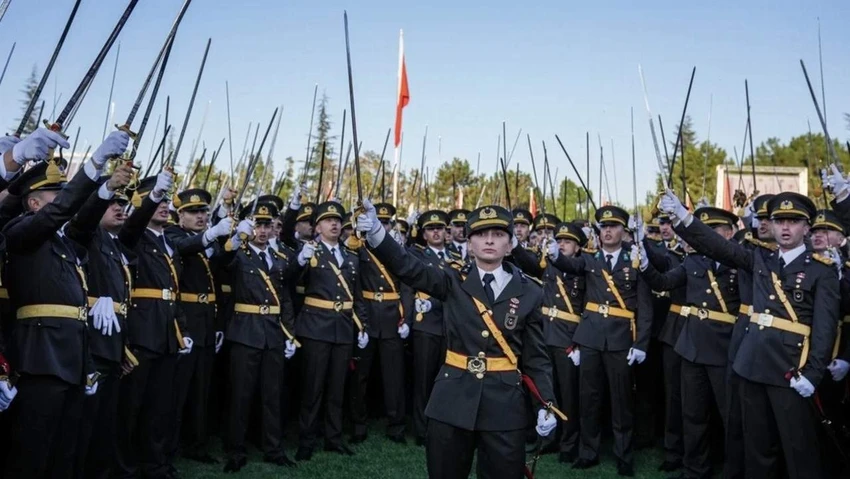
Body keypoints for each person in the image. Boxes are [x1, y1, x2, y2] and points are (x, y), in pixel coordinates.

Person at [356, 202, 560, 479]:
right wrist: (378, 234)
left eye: (498, 234)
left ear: (510, 245)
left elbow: (537, 357)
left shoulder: (531, 292)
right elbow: (408, 267)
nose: (489, 240)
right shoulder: (451, 278)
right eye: (481, 234)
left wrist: (545, 403)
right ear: (469, 243)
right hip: (452, 399)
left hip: (504, 404)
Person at [659, 189, 839, 479]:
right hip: (752, 366)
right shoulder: (760, 259)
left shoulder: (821, 270)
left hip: (791, 370)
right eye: (779, 221)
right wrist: (682, 216)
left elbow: (825, 328)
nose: (784, 227)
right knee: (757, 448)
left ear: (806, 227)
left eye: (793, 221)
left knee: (799, 449)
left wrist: (814, 373)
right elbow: (718, 246)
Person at [2, 128, 128, 477]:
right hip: (40, 356)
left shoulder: (65, 244)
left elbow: (83, 222)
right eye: (54, 195)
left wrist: (104, 188)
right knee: (33, 450)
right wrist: (94, 164)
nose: (62, 201)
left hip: (72, 355)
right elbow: (58, 216)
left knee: (65, 450)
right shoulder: (21, 232)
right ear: (33, 203)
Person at [547, 205, 653, 477]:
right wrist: (555, 254)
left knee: (621, 402)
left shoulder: (635, 260)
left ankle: (623, 456)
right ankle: (588, 452)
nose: (608, 231)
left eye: (614, 226)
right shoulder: (590, 260)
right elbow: (570, 264)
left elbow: (645, 307)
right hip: (591, 337)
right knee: (589, 400)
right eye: (603, 227)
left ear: (623, 231)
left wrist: (641, 344)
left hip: (620, 340)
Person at [638, 206, 741, 479]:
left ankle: (733, 469)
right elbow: (664, 281)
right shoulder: (694, 262)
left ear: (729, 234)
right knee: (692, 414)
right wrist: (646, 265)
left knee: (730, 416)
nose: (704, 238)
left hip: (725, 347)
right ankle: (695, 469)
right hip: (692, 346)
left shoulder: (740, 262)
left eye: (713, 232)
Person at [115, 171, 195, 479]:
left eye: (165, 200)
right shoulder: (133, 235)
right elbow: (133, 224)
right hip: (141, 331)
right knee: (132, 407)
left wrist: (183, 330)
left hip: (166, 332)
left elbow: (174, 292)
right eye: (156, 200)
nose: (163, 206)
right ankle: (125, 468)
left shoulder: (168, 242)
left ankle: (155, 464)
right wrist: (151, 199)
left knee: (160, 407)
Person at [65, 163, 138, 479]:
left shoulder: (113, 244)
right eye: (112, 204)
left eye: (123, 204)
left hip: (111, 343)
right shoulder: (86, 234)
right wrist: (103, 189)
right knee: (84, 421)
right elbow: (80, 225)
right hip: (90, 343)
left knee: (104, 421)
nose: (120, 209)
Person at [222, 201, 298, 472]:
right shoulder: (238, 254)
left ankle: (273, 449)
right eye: (258, 225)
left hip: (273, 333)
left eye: (267, 225)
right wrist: (234, 237)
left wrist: (290, 333)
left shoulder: (279, 260)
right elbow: (221, 261)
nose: (263, 231)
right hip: (245, 331)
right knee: (241, 395)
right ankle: (236, 450)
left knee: (272, 395)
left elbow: (285, 299)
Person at [292, 200, 368, 461]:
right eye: (327, 220)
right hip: (316, 326)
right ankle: (306, 440)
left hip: (343, 327)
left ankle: (333, 438)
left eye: (337, 220)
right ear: (317, 227)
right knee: (313, 388)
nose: (334, 224)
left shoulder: (350, 256)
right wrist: (300, 261)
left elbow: (357, 296)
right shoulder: (309, 252)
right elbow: (290, 280)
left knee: (337, 387)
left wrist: (362, 325)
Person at [165, 188, 233, 466]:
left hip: (206, 320)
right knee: (177, 391)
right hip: (185, 321)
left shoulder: (208, 241)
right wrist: (212, 234)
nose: (201, 216)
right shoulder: (173, 234)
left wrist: (235, 240)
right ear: (180, 215)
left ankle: (197, 443)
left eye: (204, 211)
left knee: (201, 390)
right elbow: (185, 247)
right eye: (194, 212)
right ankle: (169, 447)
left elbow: (220, 272)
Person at [511, 221, 587, 464]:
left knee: (568, 395)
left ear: (577, 247)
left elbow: (589, 308)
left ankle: (569, 442)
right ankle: (548, 438)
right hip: (545, 333)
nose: (562, 245)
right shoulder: (549, 264)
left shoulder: (583, 269)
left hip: (568, 337)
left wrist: (579, 342)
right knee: (545, 392)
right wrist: (515, 245)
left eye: (568, 242)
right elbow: (529, 265)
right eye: (560, 240)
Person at [350, 202, 409, 444]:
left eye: (385, 223)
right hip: (367, 316)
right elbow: (352, 285)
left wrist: (405, 317)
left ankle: (396, 426)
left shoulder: (394, 249)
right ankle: (358, 425)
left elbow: (407, 284)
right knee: (360, 376)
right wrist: (360, 321)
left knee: (394, 377)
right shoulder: (358, 248)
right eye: (378, 222)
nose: (381, 226)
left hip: (392, 318)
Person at [404, 210, 457, 446]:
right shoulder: (417, 254)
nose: (436, 232)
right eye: (430, 228)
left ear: (447, 232)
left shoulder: (456, 255)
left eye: (440, 228)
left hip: (451, 324)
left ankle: (442, 426)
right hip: (427, 323)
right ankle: (422, 429)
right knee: (424, 380)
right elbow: (408, 284)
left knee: (446, 381)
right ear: (423, 234)